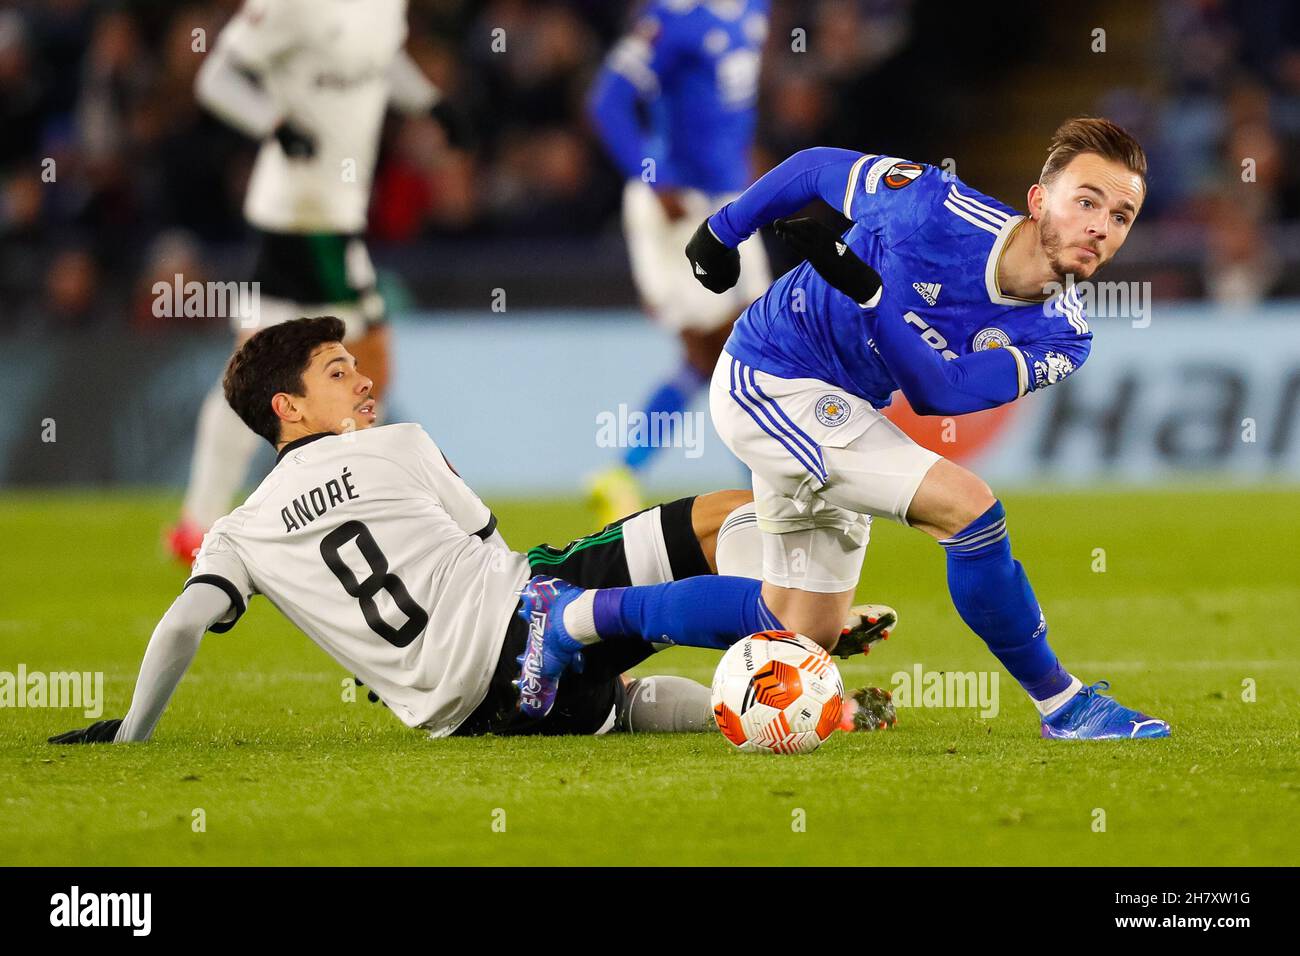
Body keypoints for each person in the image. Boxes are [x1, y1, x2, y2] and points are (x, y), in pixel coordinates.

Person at [51, 318, 893, 744]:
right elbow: (493, 555)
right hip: (523, 625)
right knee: (642, 591)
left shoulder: (239, 530)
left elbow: (183, 622)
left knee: (618, 699)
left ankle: (811, 692)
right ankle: (798, 628)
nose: (365, 381)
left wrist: (131, 732)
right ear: (290, 407)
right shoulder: (396, 445)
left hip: (473, 715)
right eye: (340, 373)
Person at [677, 117, 1170, 740]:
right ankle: (1064, 704)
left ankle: (574, 620)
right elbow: (814, 167)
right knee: (969, 509)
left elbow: (941, 391)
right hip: (774, 376)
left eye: (1121, 216)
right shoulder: (934, 207)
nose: (1101, 225)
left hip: (847, 405)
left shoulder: (1063, 335)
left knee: (799, 629)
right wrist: (723, 231)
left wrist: (872, 298)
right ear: (1040, 201)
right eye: (1087, 201)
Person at [166, 0, 465, 562]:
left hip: (333, 213)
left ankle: (199, 525)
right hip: (302, 214)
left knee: (257, 361)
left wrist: (432, 104)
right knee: (366, 362)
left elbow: (377, 60)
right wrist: (276, 124)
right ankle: (365, 512)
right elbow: (217, 77)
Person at [584, 0, 773, 524]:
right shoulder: (671, 16)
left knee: (744, 348)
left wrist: (743, 157)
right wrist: (652, 177)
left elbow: (731, 100)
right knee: (725, 350)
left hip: (732, 199)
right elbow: (607, 102)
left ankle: (624, 473)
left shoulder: (755, 8)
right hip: (680, 205)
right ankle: (761, 486)